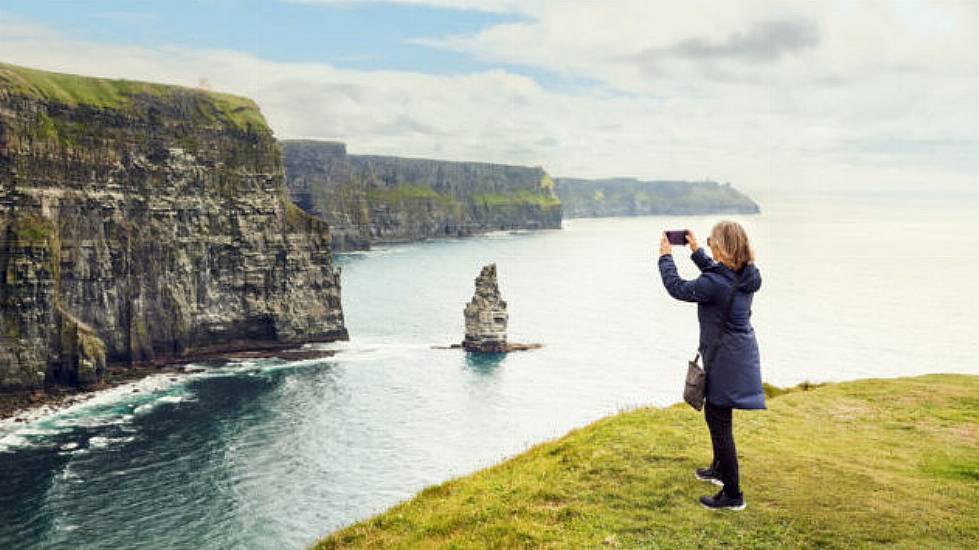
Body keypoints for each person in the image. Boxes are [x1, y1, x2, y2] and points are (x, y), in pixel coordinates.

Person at [657, 221, 765, 511]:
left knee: (720, 423)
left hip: (725, 359)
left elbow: (678, 287)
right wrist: (695, 251)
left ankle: (733, 495)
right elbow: (719, 277)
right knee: (716, 416)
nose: (709, 244)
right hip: (738, 353)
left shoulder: (717, 282)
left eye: (712, 241)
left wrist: (665, 257)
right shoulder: (746, 275)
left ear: (723, 246)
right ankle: (719, 470)